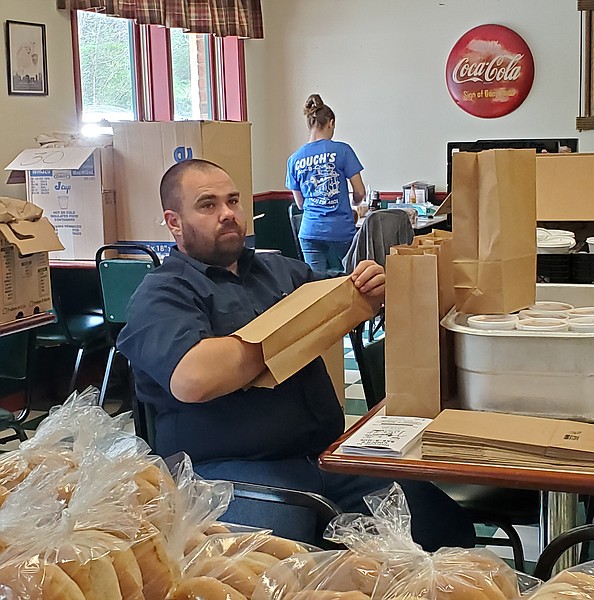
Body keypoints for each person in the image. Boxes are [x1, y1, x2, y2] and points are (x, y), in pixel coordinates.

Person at [117, 158, 475, 551]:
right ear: (174, 222)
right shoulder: (162, 294)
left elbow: (341, 299)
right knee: (283, 565)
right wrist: (284, 339)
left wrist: (369, 287)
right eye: (208, 205)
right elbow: (193, 377)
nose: (227, 214)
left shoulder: (279, 271)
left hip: (325, 458)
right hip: (230, 476)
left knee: (439, 526)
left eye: (233, 201)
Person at [286, 94, 366, 273]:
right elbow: (359, 191)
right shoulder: (343, 150)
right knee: (354, 276)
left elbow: (300, 204)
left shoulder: (294, 159)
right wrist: (355, 203)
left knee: (316, 282)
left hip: (309, 230)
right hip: (340, 229)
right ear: (330, 123)